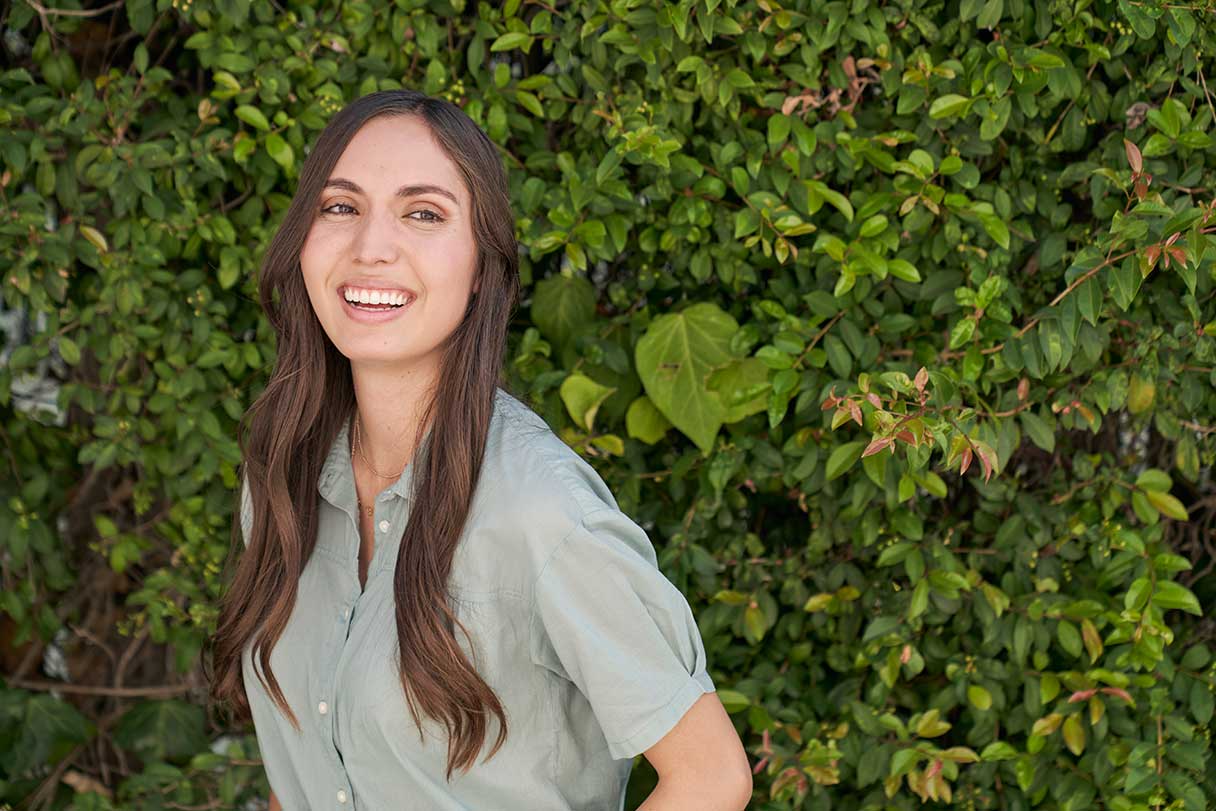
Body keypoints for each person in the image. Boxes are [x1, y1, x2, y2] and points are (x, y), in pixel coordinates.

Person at [206, 89, 752, 810]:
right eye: (340, 206)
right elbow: (309, 766)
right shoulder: (281, 475)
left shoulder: (541, 510)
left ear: (481, 262)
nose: (371, 246)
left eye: (423, 213)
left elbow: (710, 776)